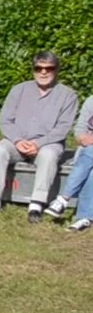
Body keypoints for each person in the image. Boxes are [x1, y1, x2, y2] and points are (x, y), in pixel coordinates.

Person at [0, 51, 79, 222]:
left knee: (48, 155)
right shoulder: (19, 90)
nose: (43, 72)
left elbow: (63, 128)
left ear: (57, 70)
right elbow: (5, 121)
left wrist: (38, 143)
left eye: (49, 68)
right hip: (17, 140)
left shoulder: (68, 95)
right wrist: (17, 140)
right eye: (38, 68)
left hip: (48, 143)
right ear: (33, 70)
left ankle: (36, 205)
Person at [42, 94, 93, 232]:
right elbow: (80, 128)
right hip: (87, 153)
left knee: (90, 154)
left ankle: (64, 198)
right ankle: (85, 218)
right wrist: (83, 138)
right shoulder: (91, 101)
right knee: (91, 166)